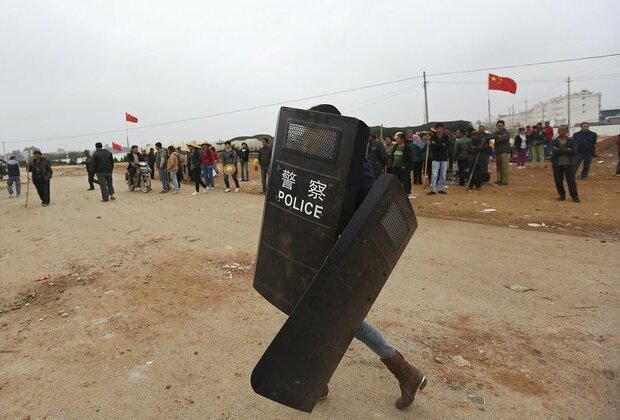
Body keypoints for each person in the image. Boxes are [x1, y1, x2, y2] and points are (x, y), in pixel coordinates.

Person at [308, 104, 426, 410]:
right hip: (319, 250)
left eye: (316, 129)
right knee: (326, 315)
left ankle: (404, 371)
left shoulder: (353, 161)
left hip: (342, 253)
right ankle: (317, 379)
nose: (311, 136)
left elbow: (372, 210)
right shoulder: (314, 161)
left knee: (343, 318)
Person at [551, 125, 579, 202]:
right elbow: (554, 151)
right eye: (560, 131)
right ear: (558, 132)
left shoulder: (571, 141)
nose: (562, 132)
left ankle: (574, 196)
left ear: (567, 132)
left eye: (564, 130)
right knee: (558, 181)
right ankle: (562, 195)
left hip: (569, 163)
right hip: (557, 164)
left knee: (571, 181)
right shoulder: (554, 141)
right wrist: (566, 150)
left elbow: (574, 151)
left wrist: (559, 150)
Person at [427, 123, 449, 195]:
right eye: (438, 128)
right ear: (436, 129)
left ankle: (441, 188)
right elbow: (434, 147)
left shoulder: (446, 137)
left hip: (444, 158)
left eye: (441, 128)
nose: (440, 129)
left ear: (443, 129)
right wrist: (441, 144)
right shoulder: (433, 137)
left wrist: (437, 145)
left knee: (443, 174)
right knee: (434, 174)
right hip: (436, 157)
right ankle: (433, 189)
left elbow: (446, 146)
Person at [487, 120, 511, 185]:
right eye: (498, 125)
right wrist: (498, 136)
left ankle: (505, 180)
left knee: (504, 166)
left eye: (501, 125)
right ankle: (500, 179)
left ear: (503, 126)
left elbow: (503, 139)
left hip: (504, 151)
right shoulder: (496, 132)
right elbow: (490, 136)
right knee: (499, 166)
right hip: (497, 151)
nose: (499, 127)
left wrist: (497, 137)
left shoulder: (507, 132)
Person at [391, 132, 412, 197]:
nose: (396, 140)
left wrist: (405, 166)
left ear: (402, 139)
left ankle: (407, 194)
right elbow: (393, 155)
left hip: (403, 168)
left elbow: (410, 158)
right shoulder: (395, 146)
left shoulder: (407, 147)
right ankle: (398, 193)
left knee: (405, 181)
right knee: (397, 181)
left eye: (397, 138)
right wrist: (392, 163)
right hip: (395, 167)